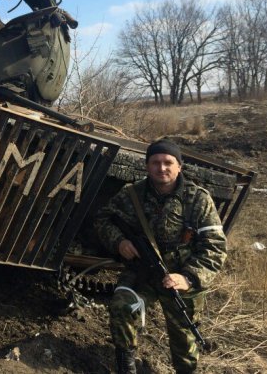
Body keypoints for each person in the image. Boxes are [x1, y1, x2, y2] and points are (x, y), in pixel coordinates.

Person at [93, 139, 227, 374]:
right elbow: (103, 219)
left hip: (182, 280)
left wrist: (188, 278)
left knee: (185, 342)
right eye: (155, 162)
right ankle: (127, 366)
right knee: (123, 308)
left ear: (179, 167)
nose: (161, 168)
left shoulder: (199, 200)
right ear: (147, 166)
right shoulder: (131, 195)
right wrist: (119, 242)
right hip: (143, 274)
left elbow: (215, 248)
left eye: (168, 163)